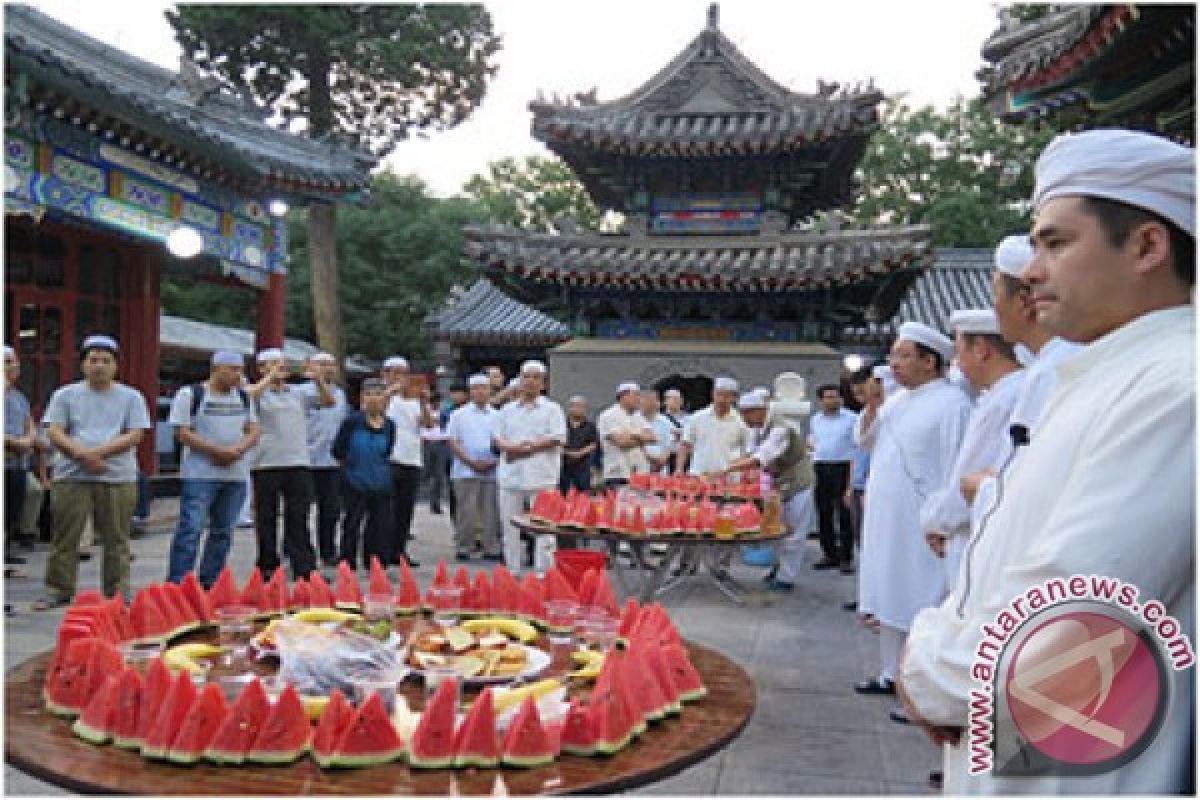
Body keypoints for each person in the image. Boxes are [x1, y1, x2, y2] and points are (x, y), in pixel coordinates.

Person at [899, 129, 1195, 794]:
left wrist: (927, 673)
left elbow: (1063, 623)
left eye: (1056, 243)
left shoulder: (1175, 390)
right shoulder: (1101, 378)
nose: (1032, 273)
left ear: (1148, 245)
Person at [851, 323, 970, 699]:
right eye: (893, 356)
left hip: (922, 520)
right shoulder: (896, 401)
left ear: (929, 361)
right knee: (887, 590)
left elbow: (957, 467)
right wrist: (872, 405)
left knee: (919, 594)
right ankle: (890, 672)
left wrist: (945, 519)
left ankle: (919, 682)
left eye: (903, 355)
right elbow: (866, 442)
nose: (893, 364)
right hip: (887, 516)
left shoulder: (953, 404)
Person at [34, 335, 152, 609]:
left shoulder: (131, 397)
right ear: (83, 364)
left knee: (117, 538)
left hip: (117, 474)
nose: (99, 366)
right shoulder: (65, 395)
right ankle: (58, 589)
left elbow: (136, 434)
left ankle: (117, 592)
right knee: (65, 536)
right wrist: (81, 455)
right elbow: (54, 430)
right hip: (72, 474)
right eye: (93, 360)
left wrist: (97, 455)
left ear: (116, 366)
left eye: (106, 361)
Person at [919, 310, 1023, 590]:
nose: (956, 363)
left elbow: (969, 479)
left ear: (981, 350)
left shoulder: (1004, 400)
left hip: (974, 533)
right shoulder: (998, 395)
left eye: (959, 351)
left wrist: (936, 521)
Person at [166, 351, 261, 587]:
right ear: (216, 369)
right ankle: (179, 582)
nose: (238, 376)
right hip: (200, 474)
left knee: (223, 532)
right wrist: (216, 451)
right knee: (191, 529)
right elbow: (182, 432)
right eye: (233, 370)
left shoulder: (243, 397)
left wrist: (237, 451)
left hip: (235, 475)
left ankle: (211, 582)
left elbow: (254, 429)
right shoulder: (192, 394)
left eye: (240, 370)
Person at [722, 377, 815, 592]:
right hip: (778, 484)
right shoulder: (757, 428)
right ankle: (779, 568)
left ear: (759, 411)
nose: (744, 419)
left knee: (793, 531)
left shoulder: (781, 427)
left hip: (798, 482)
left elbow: (761, 458)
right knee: (777, 528)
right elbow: (751, 453)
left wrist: (726, 470)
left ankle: (786, 578)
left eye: (747, 414)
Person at [248, 348, 328, 580]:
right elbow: (248, 396)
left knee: (299, 516)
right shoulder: (256, 392)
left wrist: (319, 380)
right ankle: (267, 564)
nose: (280, 368)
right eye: (273, 364)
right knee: (266, 517)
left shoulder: (298, 392)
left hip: (298, 461)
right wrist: (268, 379)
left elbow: (327, 401)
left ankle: (303, 565)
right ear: (261, 368)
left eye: (282, 364)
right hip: (266, 462)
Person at [493, 360, 566, 575]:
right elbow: (498, 439)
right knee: (509, 526)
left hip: (542, 475)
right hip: (511, 475)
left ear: (543, 383)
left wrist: (528, 448)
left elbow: (558, 437)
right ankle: (512, 571)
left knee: (544, 528)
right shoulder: (506, 411)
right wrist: (512, 448)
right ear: (519, 380)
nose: (530, 382)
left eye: (536, 377)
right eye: (527, 377)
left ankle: (544, 573)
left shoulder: (552, 409)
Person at [331, 378, 395, 570]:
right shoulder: (351, 422)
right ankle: (347, 562)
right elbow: (338, 450)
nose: (373, 399)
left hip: (381, 481)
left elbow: (388, 450)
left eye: (377, 394)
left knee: (380, 525)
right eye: (368, 394)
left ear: (385, 399)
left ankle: (375, 562)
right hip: (354, 480)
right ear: (361, 399)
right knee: (351, 523)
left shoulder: (390, 425)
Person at [383, 355, 433, 567]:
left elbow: (428, 424)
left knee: (405, 509)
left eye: (402, 372)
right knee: (386, 509)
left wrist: (423, 402)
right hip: (389, 458)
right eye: (393, 372)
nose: (398, 377)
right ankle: (381, 549)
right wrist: (391, 391)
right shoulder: (383, 396)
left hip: (412, 458)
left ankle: (399, 550)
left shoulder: (414, 401)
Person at [446, 374, 501, 562]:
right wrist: (470, 461)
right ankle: (464, 546)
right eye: (476, 388)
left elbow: (502, 441)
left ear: (490, 391)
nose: (480, 392)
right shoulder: (458, 415)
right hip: (464, 470)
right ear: (470, 392)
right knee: (466, 512)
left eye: (484, 388)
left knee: (491, 512)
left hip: (492, 470)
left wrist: (493, 462)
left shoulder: (498, 415)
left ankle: (491, 546)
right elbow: (452, 441)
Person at [300, 353, 348, 568]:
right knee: (300, 510)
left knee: (331, 510)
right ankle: (296, 549)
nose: (327, 368)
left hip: (332, 460)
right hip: (305, 458)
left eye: (330, 364)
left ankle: (328, 550)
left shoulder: (340, 394)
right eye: (321, 364)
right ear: (310, 367)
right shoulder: (300, 392)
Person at [808, 383, 858, 573]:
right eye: (828, 397)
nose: (832, 400)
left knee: (844, 514)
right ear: (821, 401)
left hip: (843, 466)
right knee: (824, 513)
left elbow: (857, 446)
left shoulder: (852, 419)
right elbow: (815, 440)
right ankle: (829, 553)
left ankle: (846, 557)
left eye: (835, 396)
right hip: (821, 466)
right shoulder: (816, 420)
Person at [841, 368, 873, 612]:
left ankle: (874, 599)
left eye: (863, 390)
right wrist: (851, 485)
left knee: (874, 545)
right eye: (856, 392)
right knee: (861, 544)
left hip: (875, 491)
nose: (860, 396)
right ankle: (865, 595)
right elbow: (856, 454)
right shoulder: (862, 416)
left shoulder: (889, 413)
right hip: (860, 487)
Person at [676, 377, 749, 477]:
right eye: (718, 394)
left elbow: (746, 452)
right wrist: (679, 469)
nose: (721, 400)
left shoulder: (741, 422)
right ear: (712, 394)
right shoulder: (697, 418)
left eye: (726, 396)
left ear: (734, 398)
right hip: (699, 475)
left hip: (729, 478)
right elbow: (685, 444)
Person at [5, 346, 34, 575]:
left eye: (14, 362)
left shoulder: (19, 396)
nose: (13, 366)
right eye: (7, 362)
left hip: (17, 462)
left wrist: (28, 439)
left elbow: (29, 424)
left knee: (12, 509)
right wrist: (15, 443)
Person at [597, 382, 656, 489]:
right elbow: (622, 443)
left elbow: (653, 437)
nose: (639, 399)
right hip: (618, 473)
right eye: (636, 395)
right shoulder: (609, 415)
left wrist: (632, 434)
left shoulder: (637, 415)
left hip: (640, 472)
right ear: (623, 396)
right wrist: (642, 438)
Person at [420, 392, 451, 515]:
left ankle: (435, 502)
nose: (435, 403)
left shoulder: (444, 412)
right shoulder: (423, 410)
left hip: (440, 443)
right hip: (426, 443)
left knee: (438, 475)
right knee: (424, 473)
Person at [559, 396, 597, 493]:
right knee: (563, 495)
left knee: (584, 495)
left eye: (581, 406)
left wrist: (580, 453)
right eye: (575, 406)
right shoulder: (561, 424)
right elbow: (555, 442)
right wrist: (566, 452)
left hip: (583, 467)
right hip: (563, 466)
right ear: (569, 408)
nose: (578, 409)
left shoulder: (591, 426)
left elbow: (593, 444)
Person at [640, 388, 675, 473]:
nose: (651, 403)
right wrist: (651, 460)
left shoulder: (665, 422)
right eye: (647, 399)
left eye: (653, 400)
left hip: (661, 468)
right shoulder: (634, 420)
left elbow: (669, 445)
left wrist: (662, 460)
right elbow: (637, 445)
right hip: (640, 467)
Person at [661, 388, 689, 472]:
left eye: (678, 399)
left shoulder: (689, 419)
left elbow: (692, 435)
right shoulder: (660, 418)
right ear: (665, 401)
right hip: (666, 456)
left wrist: (680, 433)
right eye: (672, 398)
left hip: (685, 457)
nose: (676, 401)